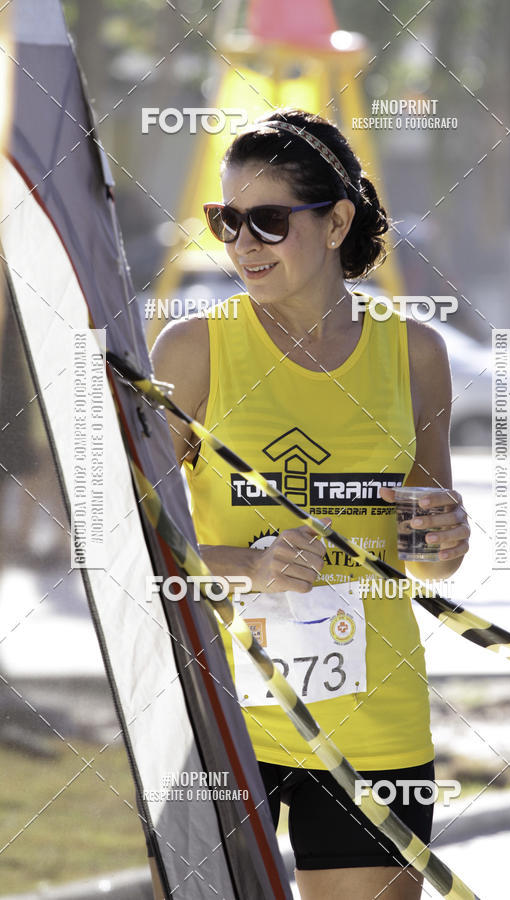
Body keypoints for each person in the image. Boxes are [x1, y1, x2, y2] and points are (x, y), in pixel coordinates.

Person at [148, 108, 470, 900]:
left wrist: (447, 536)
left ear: (336, 223)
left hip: (374, 719)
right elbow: (132, 547)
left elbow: (424, 554)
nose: (242, 245)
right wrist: (248, 567)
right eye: (226, 221)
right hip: (222, 718)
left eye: (266, 220)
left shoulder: (415, 352)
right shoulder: (193, 349)